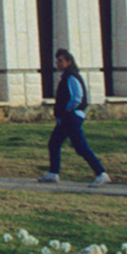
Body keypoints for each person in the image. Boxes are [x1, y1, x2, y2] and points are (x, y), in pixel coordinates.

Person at [37, 48, 110, 185]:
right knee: (54, 143)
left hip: (71, 117)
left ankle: (101, 173)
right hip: (66, 118)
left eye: (60, 61)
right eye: (57, 61)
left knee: (80, 146)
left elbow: (77, 97)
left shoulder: (71, 76)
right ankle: (53, 173)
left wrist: (67, 110)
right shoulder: (66, 76)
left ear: (69, 62)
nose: (57, 63)